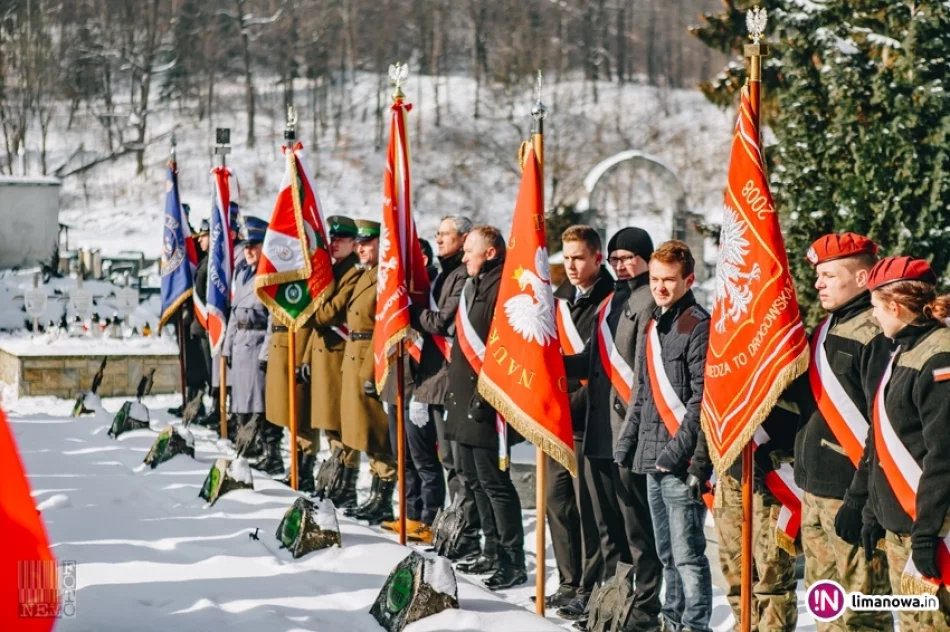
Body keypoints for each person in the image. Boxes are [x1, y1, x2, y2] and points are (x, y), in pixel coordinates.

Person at [561, 227, 662, 628]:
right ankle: (607, 602)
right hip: (600, 428)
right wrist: (551, 360)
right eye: (616, 258)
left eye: (629, 257)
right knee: (605, 528)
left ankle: (643, 609)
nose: (621, 264)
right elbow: (592, 361)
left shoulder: (651, 299)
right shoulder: (610, 303)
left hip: (630, 433)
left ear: (647, 258)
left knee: (635, 528)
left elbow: (644, 371)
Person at [794, 233, 893, 632]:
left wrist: (861, 501)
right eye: (818, 275)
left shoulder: (875, 336)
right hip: (816, 490)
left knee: (861, 616)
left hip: (851, 494)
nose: (818, 283)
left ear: (862, 277)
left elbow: (884, 428)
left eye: (828, 275)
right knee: (825, 608)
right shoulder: (829, 326)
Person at [615, 240, 712, 632]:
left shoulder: (698, 325)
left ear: (688, 279)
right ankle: (670, 619)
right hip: (651, 455)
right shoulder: (653, 322)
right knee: (666, 552)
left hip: (680, 459)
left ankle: (695, 623)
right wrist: (627, 443)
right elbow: (642, 391)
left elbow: (699, 401)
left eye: (669, 280)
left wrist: (675, 454)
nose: (660, 287)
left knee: (689, 554)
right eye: (655, 279)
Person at [857, 256, 950, 629]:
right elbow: (885, 436)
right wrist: (871, 510)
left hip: (933, 532)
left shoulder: (939, 356)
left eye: (876, 307)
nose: (874, 316)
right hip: (902, 527)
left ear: (895, 307)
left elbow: (942, 456)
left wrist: (926, 535)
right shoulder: (904, 349)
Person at [445, 225, 526, 590]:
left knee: (495, 483)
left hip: (485, 403)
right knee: (474, 480)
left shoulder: (501, 288)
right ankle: (491, 551)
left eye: (470, 250)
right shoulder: (473, 284)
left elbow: (500, 350)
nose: (464, 258)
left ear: (491, 253)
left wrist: (483, 398)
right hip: (462, 399)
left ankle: (513, 561)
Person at [539, 225, 613, 609]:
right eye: (565, 257)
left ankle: (589, 585)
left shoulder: (609, 299)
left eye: (578, 257)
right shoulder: (558, 299)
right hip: (557, 419)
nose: (570, 265)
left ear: (597, 258)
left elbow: (598, 364)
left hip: (588, 418)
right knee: (557, 501)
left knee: (589, 507)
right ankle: (568, 579)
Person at [409, 215, 480, 557]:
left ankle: (465, 533)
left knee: (456, 466)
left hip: (450, 379)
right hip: (435, 377)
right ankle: (452, 526)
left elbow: (441, 321)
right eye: (436, 234)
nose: (438, 239)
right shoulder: (444, 273)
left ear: (464, 238)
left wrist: (409, 311)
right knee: (440, 461)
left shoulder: (461, 275)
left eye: (446, 234)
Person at [296, 216, 362, 498]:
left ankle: (345, 483)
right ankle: (335, 478)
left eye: (341, 240)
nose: (334, 244)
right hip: (324, 355)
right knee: (328, 424)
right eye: (331, 239)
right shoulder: (332, 272)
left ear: (353, 244)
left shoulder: (353, 275)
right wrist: (308, 357)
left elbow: (325, 314)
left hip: (340, 356)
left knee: (341, 424)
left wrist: (314, 306)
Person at [340, 219, 396, 525]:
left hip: (371, 357)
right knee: (361, 429)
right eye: (359, 244)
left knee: (376, 431)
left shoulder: (384, 278)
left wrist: (371, 370)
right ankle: (374, 494)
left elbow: (381, 326)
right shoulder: (365, 276)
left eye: (367, 243)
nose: (361, 248)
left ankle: (383, 497)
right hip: (355, 353)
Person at [220, 217, 273, 445]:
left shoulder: (269, 275)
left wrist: (266, 353)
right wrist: (227, 346)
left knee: (258, 401)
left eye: (254, 246)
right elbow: (234, 314)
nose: (249, 251)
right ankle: (246, 442)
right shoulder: (242, 273)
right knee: (240, 399)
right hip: (240, 343)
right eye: (247, 247)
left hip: (257, 343)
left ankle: (261, 444)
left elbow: (273, 318)